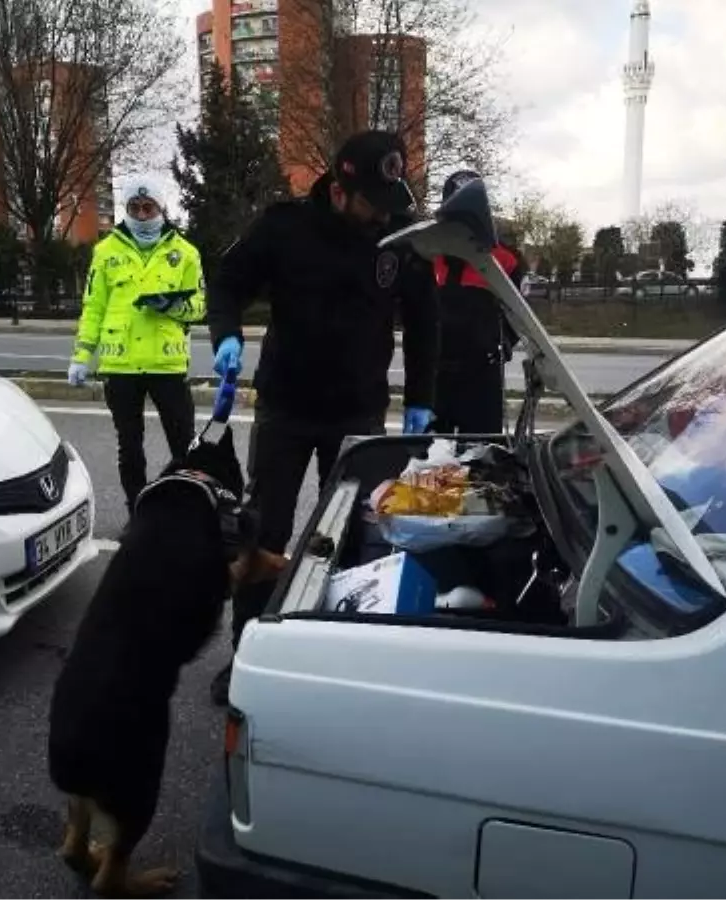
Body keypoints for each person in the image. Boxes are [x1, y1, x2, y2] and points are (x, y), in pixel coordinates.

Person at [206, 130, 439, 704]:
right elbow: (227, 282)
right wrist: (228, 335)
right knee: (266, 531)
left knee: (358, 536)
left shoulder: (398, 236)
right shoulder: (284, 227)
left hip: (358, 411)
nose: (381, 214)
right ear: (340, 188)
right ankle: (248, 651)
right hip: (287, 407)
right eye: (372, 201)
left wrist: (420, 397)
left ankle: (341, 650)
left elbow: (426, 320)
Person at [68, 176, 207, 516]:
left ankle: (183, 512)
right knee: (130, 448)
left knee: (184, 446)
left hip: (167, 366)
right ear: (126, 211)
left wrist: (171, 306)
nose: (143, 216)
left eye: (149, 208)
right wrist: (82, 355)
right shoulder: (105, 252)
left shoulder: (185, 253)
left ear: (161, 209)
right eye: (135, 208)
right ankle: (138, 512)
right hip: (121, 366)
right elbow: (94, 307)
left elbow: (200, 306)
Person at [430, 171, 525, 437]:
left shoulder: (503, 260)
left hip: (481, 375)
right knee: (430, 457)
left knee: (482, 451)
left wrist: (501, 343)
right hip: (437, 375)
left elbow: (519, 314)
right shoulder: (430, 253)